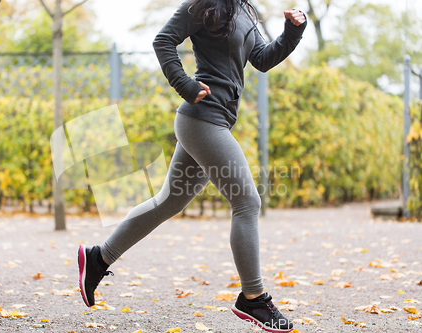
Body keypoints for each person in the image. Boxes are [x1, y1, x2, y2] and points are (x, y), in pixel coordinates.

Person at [78, 0, 306, 332]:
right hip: (202, 120)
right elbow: (163, 40)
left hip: (214, 122)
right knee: (247, 201)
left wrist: (293, 31)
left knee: (168, 201)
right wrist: (185, 85)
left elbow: (262, 59)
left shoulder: (243, 10)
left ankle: (98, 259)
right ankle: (253, 298)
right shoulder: (205, 5)